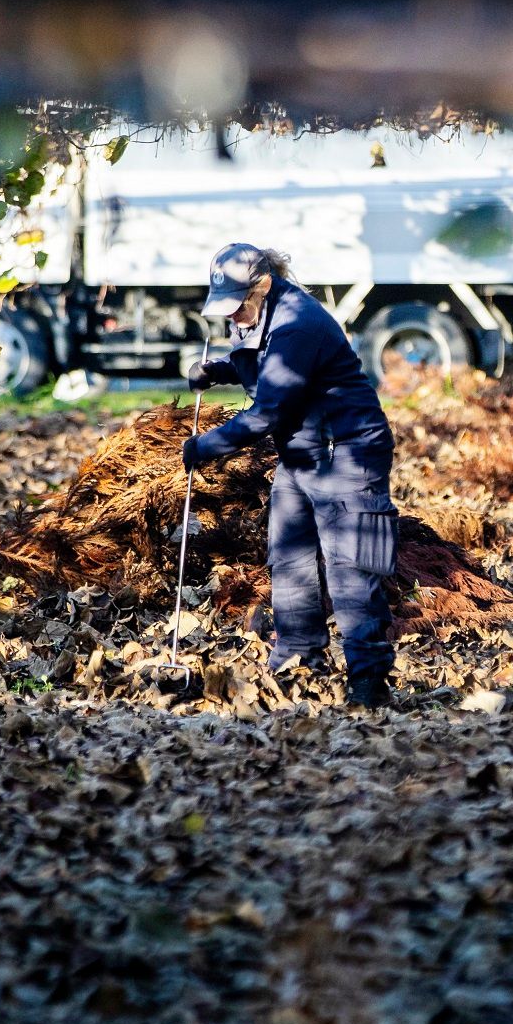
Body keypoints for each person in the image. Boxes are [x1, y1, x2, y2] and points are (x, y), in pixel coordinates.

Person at [182, 243, 400, 708]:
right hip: (302, 452)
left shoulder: (298, 321)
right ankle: (297, 661)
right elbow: (265, 366)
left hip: (348, 450)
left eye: (238, 305)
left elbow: (267, 412)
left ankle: (368, 683)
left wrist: (205, 447)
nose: (233, 317)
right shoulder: (255, 312)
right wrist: (216, 370)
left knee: (351, 565)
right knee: (290, 555)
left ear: (262, 284)